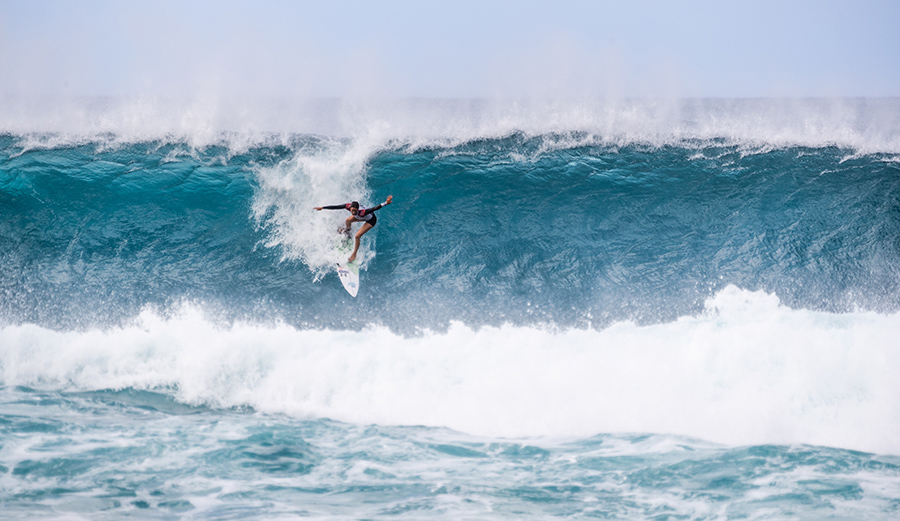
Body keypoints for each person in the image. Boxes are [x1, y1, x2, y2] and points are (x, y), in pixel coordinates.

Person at [315, 195, 393, 262]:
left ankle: (354, 254)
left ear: (358, 209)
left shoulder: (362, 212)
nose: (353, 212)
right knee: (348, 221)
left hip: (371, 220)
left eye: (355, 211)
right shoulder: (348, 206)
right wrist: (322, 207)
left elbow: (375, 208)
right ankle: (348, 232)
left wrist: (386, 203)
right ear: (350, 208)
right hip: (360, 217)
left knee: (357, 236)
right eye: (352, 211)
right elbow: (336, 207)